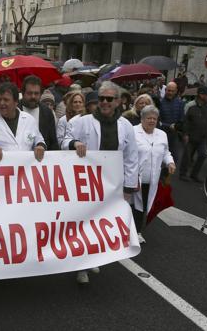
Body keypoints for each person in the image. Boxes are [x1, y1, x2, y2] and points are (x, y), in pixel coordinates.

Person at [62, 81, 139, 284]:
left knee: (102, 223)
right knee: (85, 221)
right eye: (101, 99)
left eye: (109, 99)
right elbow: (64, 140)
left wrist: (129, 187)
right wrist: (74, 143)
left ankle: (93, 257)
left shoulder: (126, 126)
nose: (104, 102)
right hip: (85, 183)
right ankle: (82, 267)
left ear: (118, 102)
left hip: (111, 185)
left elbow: (131, 157)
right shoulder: (82, 121)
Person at [0, 82, 46, 162]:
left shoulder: (29, 120)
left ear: (16, 102)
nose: (1, 103)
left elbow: (40, 140)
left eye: (6, 100)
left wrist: (40, 146)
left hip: (25, 171)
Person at [133, 105, 175, 243]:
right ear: (142, 119)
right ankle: (125, 231)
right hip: (133, 178)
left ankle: (137, 232)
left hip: (152, 179)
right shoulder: (133, 132)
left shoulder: (161, 134)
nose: (151, 121)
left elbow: (166, 152)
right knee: (130, 205)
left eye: (154, 118)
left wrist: (170, 162)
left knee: (144, 206)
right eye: (148, 118)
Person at [180, 86, 207, 182]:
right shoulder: (190, 106)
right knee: (187, 156)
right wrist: (185, 134)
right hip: (191, 136)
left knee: (203, 155)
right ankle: (183, 174)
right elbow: (185, 122)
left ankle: (194, 175)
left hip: (202, 137)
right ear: (201, 95)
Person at [20, 75, 59, 150]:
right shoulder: (15, 109)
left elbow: (53, 141)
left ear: (41, 94)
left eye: (36, 93)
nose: (33, 96)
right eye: (29, 93)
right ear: (23, 93)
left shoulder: (47, 112)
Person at [158, 82, 184, 162]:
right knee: (160, 157)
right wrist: (168, 125)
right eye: (168, 90)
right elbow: (157, 120)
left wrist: (177, 126)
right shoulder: (160, 103)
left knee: (174, 158)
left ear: (176, 91)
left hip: (174, 135)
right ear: (165, 90)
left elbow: (182, 119)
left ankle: (167, 174)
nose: (170, 93)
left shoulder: (180, 103)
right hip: (161, 134)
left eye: (172, 91)